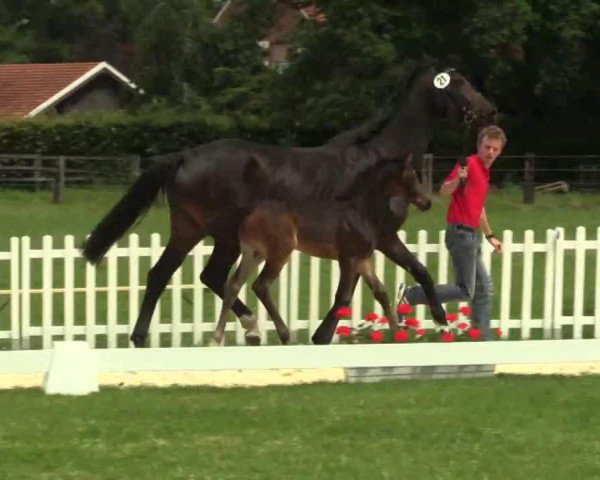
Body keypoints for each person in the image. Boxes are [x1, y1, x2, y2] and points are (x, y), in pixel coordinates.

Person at [397, 125, 506, 340]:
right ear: (479, 146)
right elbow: (444, 189)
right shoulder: (470, 164)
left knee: (484, 289)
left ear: (500, 150)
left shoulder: (485, 172)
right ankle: (411, 295)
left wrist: (490, 235)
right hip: (460, 234)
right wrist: (458, 180)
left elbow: (479, 207)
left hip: (471, 234)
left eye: (495, 149)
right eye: (487, 147)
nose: (491, 152)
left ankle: (481, 339)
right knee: (466, 290)